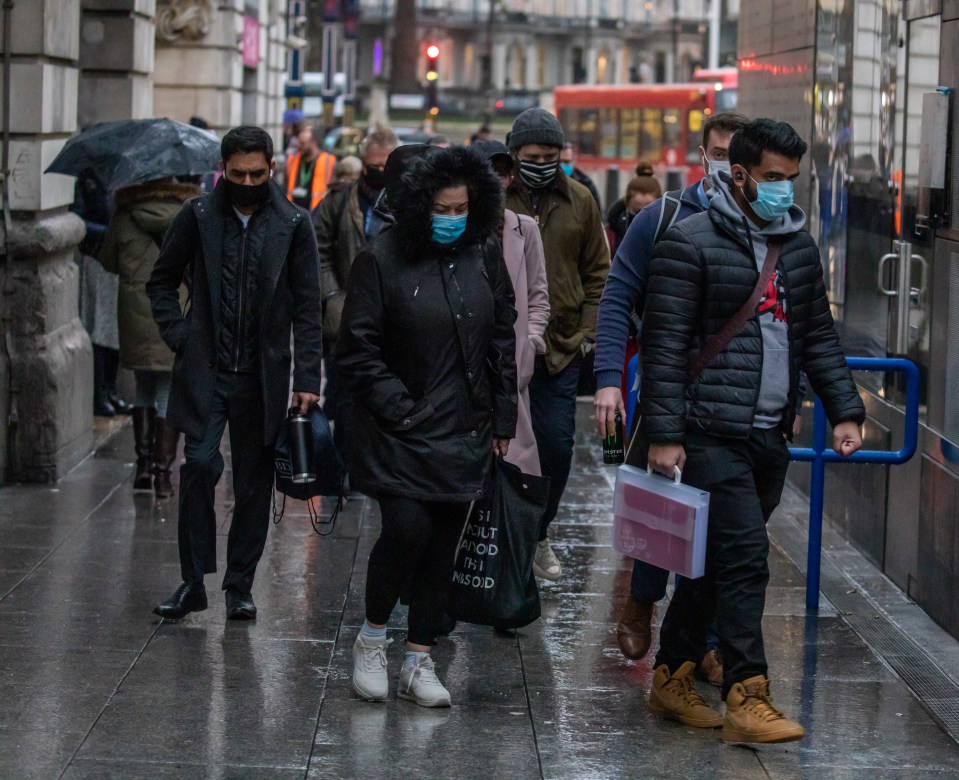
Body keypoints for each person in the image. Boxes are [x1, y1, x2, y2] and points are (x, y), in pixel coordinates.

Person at [638, 118, 864, 743]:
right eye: (771, 179)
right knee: (746, 558)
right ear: (737, 175)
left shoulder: (799, 248)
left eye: (791, 180)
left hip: (769, 434)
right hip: (709, 431)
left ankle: (671, 676)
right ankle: (747, 692)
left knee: (712, 566)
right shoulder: (689, 242)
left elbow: (816, 335)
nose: (782, 191)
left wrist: (844, 409)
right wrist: (663, 432)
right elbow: (663, 346)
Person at [336, 145, 517, 707]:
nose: (454, 218)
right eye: (443, 208)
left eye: (463, 207)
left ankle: (419, 656)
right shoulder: (380, 258)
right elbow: (357, 349)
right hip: (402, 430)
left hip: (465, 426)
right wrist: (398, 408)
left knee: (444, 544)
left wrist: (503, 416)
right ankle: (371, 637)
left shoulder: (485, 254)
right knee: (408, 530)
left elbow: (502, 336)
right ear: (420, 206)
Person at [147, 125, 323, 621]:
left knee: (253, 482)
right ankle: (193, 581)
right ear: (222, 170)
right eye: (238, 173)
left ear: (272, 168)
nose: (247, 181)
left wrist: (308, 378)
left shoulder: (293, 223)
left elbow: (308, 308)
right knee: (198, 466)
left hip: (262, 379)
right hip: (206, 369)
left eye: (257, 173)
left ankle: (239, 585)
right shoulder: (198, 215)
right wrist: (180, 336)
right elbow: (160, 281)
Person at [593, 111, 748, 666]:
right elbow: (616, 297)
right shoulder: (662, 218)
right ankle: (641, 600)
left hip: (734, 395)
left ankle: (703, 640)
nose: (728, 164)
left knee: (721, 521)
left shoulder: (766, 228)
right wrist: (609, 379)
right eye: (719, 152)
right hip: (664, 383)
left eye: (738, 153)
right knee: (662, 503)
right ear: (702, 155)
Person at [505, 108, 610, 580]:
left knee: (557, 446)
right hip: (503, 348)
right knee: (504, 446)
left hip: (561, 350)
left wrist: (587, 333)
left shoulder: (581, 201)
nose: (543, 163)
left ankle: (538, 531)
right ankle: (504, 537)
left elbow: (598, 273)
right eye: (533, 156)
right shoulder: (496, 198)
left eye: (551, 156)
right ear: (514, 155)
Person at [98, 177, 201, 497]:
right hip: (172, 310)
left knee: (143, 386)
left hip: (134, 312)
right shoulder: (189, 214)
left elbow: (108, 261)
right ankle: (162, 473)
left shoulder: (124, 215)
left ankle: (143, 466)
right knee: (168, 390)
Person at [313, 127, 399, 477]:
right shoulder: (340, 202)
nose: (378, 172)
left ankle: (375, 465)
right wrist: (333, 298)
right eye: (373, 165)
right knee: (343, 395)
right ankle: (344, 465)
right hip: (344, 318)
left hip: (391, 320)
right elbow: (316, 249)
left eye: (385, 165)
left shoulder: (407, 202)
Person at [474, 139, 550, 476]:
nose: (498, 179)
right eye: (490, 170)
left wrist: (530, 342)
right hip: (468, 365)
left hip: (513, 366)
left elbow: (538, 294)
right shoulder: (460, 229)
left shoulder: (526, 229)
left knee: (515, 465)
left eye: (503, 171)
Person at [71, 168, 133, 418]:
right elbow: (76, 221)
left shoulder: (123, 177)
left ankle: (111, 391)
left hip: (122, 262)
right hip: (97, 260)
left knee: (116, 330)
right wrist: (109, 233)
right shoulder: (87, 179)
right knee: (98, 328)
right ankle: (100, 395)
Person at [605, 161, 662, 253]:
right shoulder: (614, 226)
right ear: (627, 204)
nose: (641, 216)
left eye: (648, 209)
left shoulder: (666, 228)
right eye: (637, 210)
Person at [284, 124, 336, 210]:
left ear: (313, 142)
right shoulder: (292, 161)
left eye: (303, 144)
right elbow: (285, 189)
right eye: (299, 143)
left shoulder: (328, 161)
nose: (300, 147)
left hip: (317, 214)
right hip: (293, 214)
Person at [559, 142, 601, 208]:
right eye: (559, 161)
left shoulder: (586, 184)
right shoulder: (548, 183)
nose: (562, 165)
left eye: (566, 162)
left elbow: (596, 213)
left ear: (573, 160)